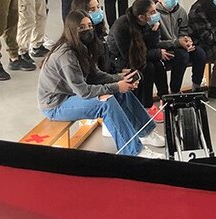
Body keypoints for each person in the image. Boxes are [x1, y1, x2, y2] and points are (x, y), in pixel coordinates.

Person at [38, 10, 165, 159]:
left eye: (89, 26)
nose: (87, 30)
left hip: (71, 94)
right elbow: (84, 92)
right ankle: (133, 151)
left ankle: (145, 132)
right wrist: (117, 86)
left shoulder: (82, 47)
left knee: (121, 92)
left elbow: (95, 75)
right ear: (72, 29)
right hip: (56, 105)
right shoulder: (66, 56)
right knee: (106, 103)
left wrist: (119, 79)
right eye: (81, 27)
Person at [108, 0, 167, 109]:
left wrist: (154, 31)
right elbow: (129, 56)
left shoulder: (149, 23)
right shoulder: (122, 26)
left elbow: (152, 46)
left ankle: (165, 99)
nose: (156, 14)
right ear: (141, 17)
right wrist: (156, 53)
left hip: (140, 56)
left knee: (158, 65)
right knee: (148, 68)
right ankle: (146, 105)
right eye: (152, 12)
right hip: (120, 60)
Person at [154, 0, 207, 93]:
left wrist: (187, 41)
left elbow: (184, 31)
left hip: (179, 45)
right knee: (182, 56)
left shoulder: (181, 11)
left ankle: (196, 87)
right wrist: (177, 43)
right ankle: (175, 91)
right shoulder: (154, 15)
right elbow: (155, 41)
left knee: (200, 53)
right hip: (164, 48)